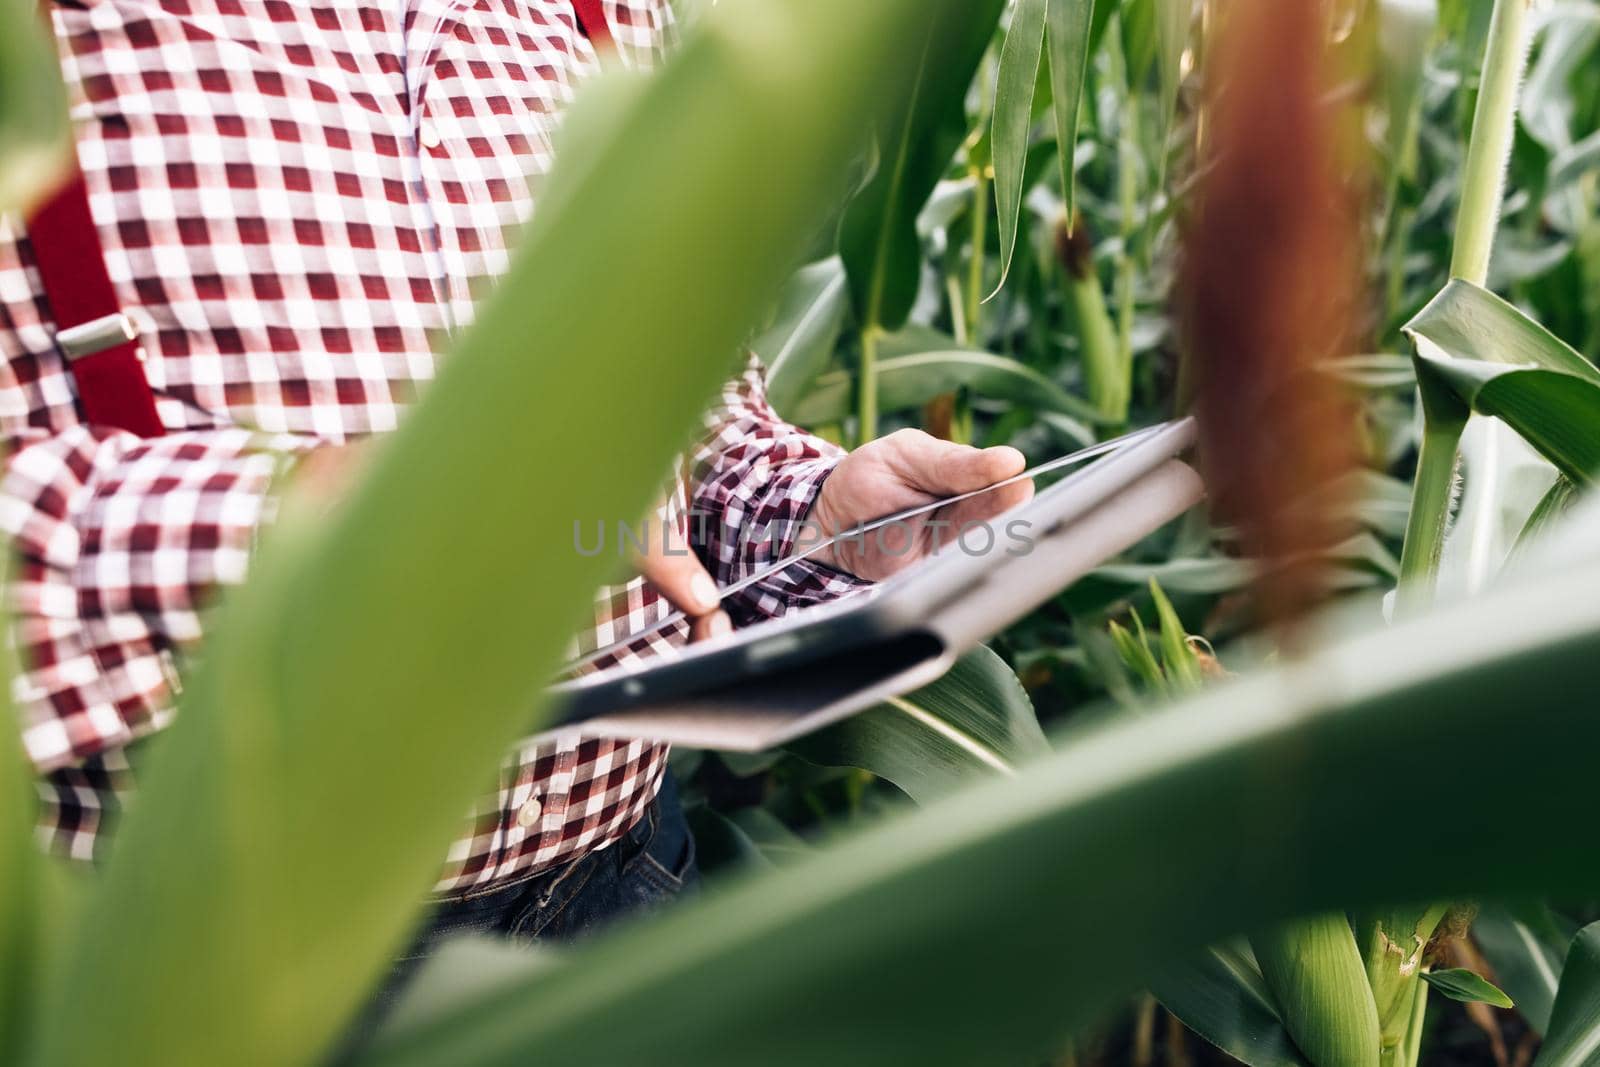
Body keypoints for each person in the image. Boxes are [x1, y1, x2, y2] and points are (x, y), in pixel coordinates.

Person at [0, 0, 1028, 975]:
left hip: (623, 892)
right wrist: (336, 516)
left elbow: (684, 423)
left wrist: (804, 514)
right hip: (184, 977)